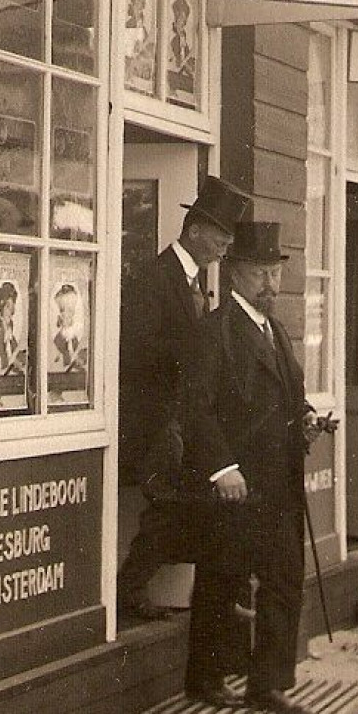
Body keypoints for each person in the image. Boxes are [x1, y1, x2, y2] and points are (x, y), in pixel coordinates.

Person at [187, 219, 321, 714]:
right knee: (223, 579)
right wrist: (222, 468)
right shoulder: (217, 330)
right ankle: (205, 678)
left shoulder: (276, 330)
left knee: (285, 578)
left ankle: (268, 684)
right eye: (260, 274)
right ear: (236, 272)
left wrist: (304, 418)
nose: (271, 284)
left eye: (276, 273)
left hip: (280, 479)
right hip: (238, 482)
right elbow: (195, 408)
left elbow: (291, 393)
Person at [114, 176, 248, 624]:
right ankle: (127, 590)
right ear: (195, 231)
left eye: (229, 239)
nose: (225, 247)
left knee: (178, 509)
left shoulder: (194, 282)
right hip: (155, 418)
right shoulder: (157, 278)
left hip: (180, 419)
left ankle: (139, 589)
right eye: (220, 236)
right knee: (170, 509)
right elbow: (135, 348)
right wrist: (192, 350)